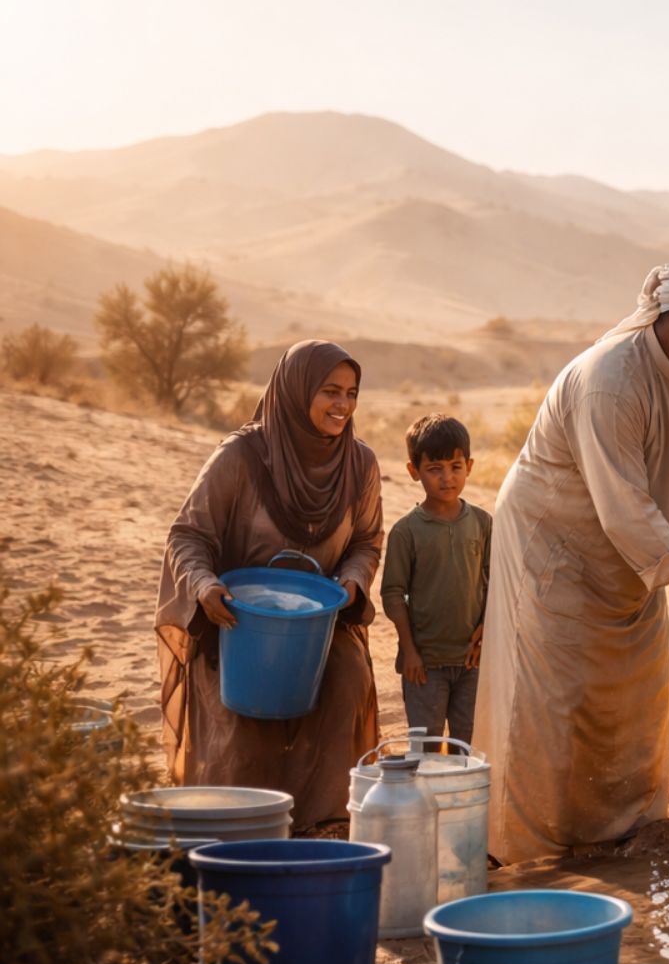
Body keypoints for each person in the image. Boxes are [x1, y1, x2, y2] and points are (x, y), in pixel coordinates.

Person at [475, 251, 669, 864]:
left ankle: (621, 837)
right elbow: (625, 512)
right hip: (556, 555)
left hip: (635, 562)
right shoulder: (610, 379)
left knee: (635, 698)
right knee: (555, 706)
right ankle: (530, 852)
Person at [155, 340, 383, 830]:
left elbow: (367, 540)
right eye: (330, 391)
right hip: (239, 621)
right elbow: (187, 535)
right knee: (248, 710)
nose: (343, 405)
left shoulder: (360, 464)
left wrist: (352, 579)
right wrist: (204, 586)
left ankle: (324, 824)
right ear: (295, 390)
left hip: (318, 624)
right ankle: (244, 826)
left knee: (347, 679)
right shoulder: (241, 455)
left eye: (351, 393)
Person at [380, 413, 490, 749]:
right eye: (434, 468)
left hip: (472, 662)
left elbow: (496, 581)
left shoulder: (483, 523)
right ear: (414, 471)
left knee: (467, 749)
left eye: (455, 467)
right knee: (425, 749)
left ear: (469, 466)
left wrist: (485, 630)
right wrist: (409, 651)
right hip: (424, 665)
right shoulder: (406, 531)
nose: (447, 478)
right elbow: (393, 593)